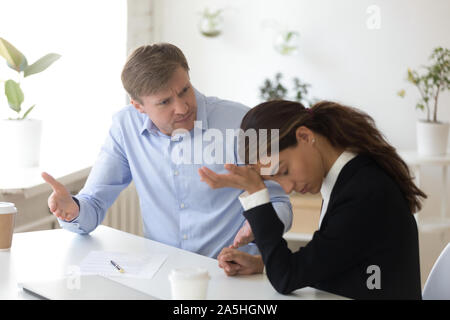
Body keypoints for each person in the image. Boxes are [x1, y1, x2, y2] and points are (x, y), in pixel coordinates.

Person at [41, 43, 292, 258]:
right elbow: (93, 204)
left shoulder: (243, 121)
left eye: (185, 90)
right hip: (163, 277)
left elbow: (280, 201)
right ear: (138, 106)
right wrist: (72, 210)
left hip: (233, 275)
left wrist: (260, 226)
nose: (182, 108)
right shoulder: (124, 127)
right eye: (164, 102)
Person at [199, 100, 426, 299]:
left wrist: (257, 194)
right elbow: (329, 261)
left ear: (305, 136)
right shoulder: (351, 176)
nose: (286, 188)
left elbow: (286, 279)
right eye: (274, 179)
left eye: (284, 170)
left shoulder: (363, 193)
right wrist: (265, 265)